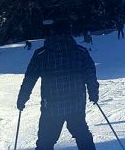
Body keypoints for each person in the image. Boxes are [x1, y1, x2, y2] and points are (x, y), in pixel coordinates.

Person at [17, 19, 99, 150]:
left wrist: (22, 98)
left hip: (51, 107)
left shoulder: (42, 54)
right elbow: (90, 73)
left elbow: (29, 79)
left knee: (46, 141)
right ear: (69, 33)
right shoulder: (80, 51)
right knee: (83, 136)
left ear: (51, 33)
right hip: (76, 104)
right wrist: (93, 93)